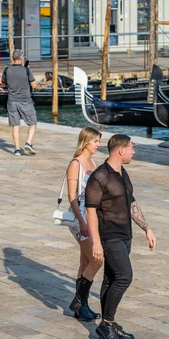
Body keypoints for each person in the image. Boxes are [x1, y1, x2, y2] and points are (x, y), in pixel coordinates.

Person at [85, 134, 156, 339]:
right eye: (132, 148)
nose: (134, 151)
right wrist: (96, 243)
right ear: (121, 150)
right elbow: (90, 212)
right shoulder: (99, 177)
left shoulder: (122, 173)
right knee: (125, 276)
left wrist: (147, 228)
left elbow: (131, 203)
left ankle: (110, 323)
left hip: (125, 235)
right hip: (109, 236)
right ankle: (105, 325)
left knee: (111, 277)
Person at [67, 127, 103, 322]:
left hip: (91, 216)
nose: (98, 145)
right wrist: (81, 222)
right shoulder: (76, 164)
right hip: (80, 217)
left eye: (99, 141)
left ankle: (81, 305)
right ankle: (79, 301)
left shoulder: (93, 162)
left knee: (85, 262)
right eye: (95, 141)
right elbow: (72, 196)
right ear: (86, 141)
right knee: (97, 260)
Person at [2, 49, 38, 156]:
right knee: (32, 123)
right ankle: (28, 142)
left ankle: (17, 149)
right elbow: (34, 85)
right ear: (22, 58)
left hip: (12, 101)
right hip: (25, 100)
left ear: (13, 58)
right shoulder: (26, 71)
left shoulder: (7, 70)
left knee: (15, 125)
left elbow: (3, 84)